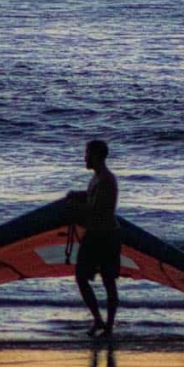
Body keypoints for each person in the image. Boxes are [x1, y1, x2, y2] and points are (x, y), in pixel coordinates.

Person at [67, 139, 120, 337]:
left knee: (108, 281)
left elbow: (96, 209)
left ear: (97, 156)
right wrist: (76, 195)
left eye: (87, 153)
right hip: (94, 234)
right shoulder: (97, 178)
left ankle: (109, 326)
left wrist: (73, 208)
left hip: (106, 236)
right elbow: (90, 198)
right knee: (81, 277)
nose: (85, 158)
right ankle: (98, 320)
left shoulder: (107, 179)